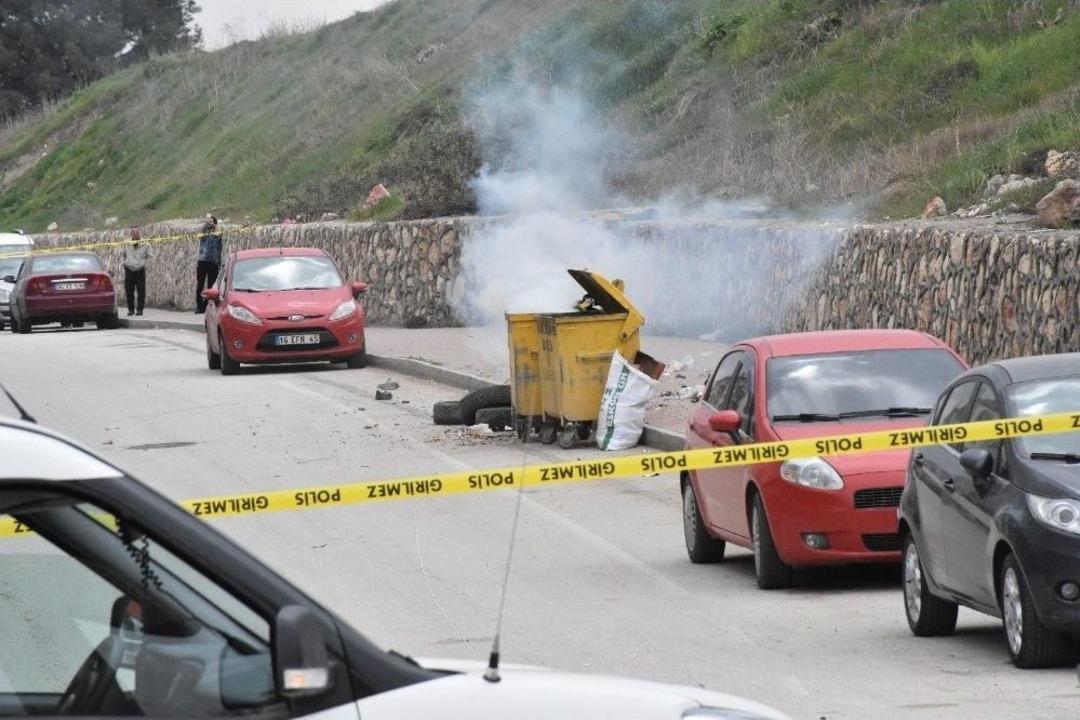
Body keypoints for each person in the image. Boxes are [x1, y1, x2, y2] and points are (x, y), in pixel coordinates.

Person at [195, 215, 222, 314]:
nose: (209, 223)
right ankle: (199, 306)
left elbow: (219, 246)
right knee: (200, 284)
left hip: (213, 262)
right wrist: (206, 225)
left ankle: (207, 306)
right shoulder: (203, 233)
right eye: (208, 221)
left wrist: (219, 261)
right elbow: (199, 235)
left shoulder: (217, 234)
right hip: (202, 261)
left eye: (211, 221)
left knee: (211, 286)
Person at [122, 226, 150, 316]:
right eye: (133, 232)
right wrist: (125, 264)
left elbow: (150, 255)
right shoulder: (126, 243)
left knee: (141, 291)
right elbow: (123, 254)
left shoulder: (145, 243)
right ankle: (130, 309)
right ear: (131, 233)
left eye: (137, 232)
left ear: (139, 233)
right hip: (129, 269)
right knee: (129, 291)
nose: (135, 234)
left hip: (140, 270)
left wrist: (144, 263)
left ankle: (140, 310)